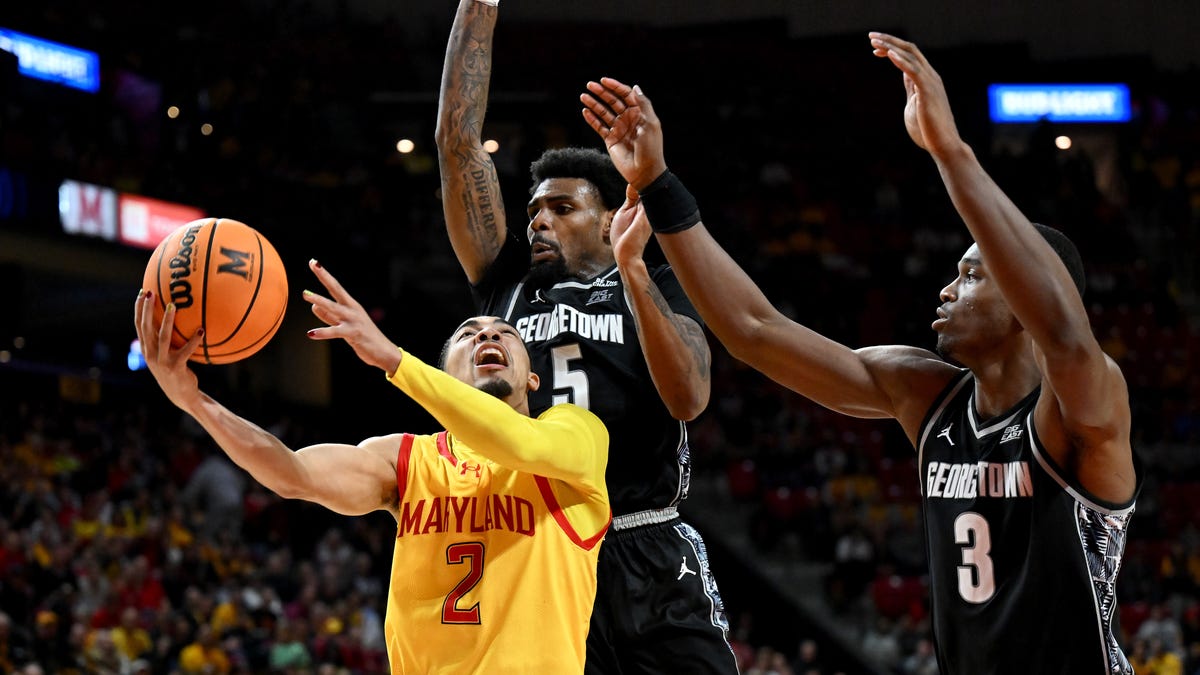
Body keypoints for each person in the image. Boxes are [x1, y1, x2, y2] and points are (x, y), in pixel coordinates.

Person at [580, 31, 1140, 675]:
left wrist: (949, 151)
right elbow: (755, 332)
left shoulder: (1080, 414)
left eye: (974, 275)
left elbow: (1065, 334)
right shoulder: (924, 394)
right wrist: (656, 182)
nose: (947, 288)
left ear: (1023, 300)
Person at [434, 1, 737, 673]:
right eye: (534, 209)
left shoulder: (658, 279)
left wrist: (633, 274)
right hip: (543, 548)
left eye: (562, 209)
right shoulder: (505, 281)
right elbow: (457, 149)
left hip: (648, 543)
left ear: (608, 222)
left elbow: (688, 397)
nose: (539, 221)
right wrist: (477, 10)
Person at [133, 258, 610, 673]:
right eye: (468, 335)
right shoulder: (407, 461)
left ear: (531, 378)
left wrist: (394, 360)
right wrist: (194, 401)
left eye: (506, 333)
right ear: (445, 378)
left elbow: (515, 442)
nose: (487, 333)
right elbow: (292, 475)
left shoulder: (577, 435)